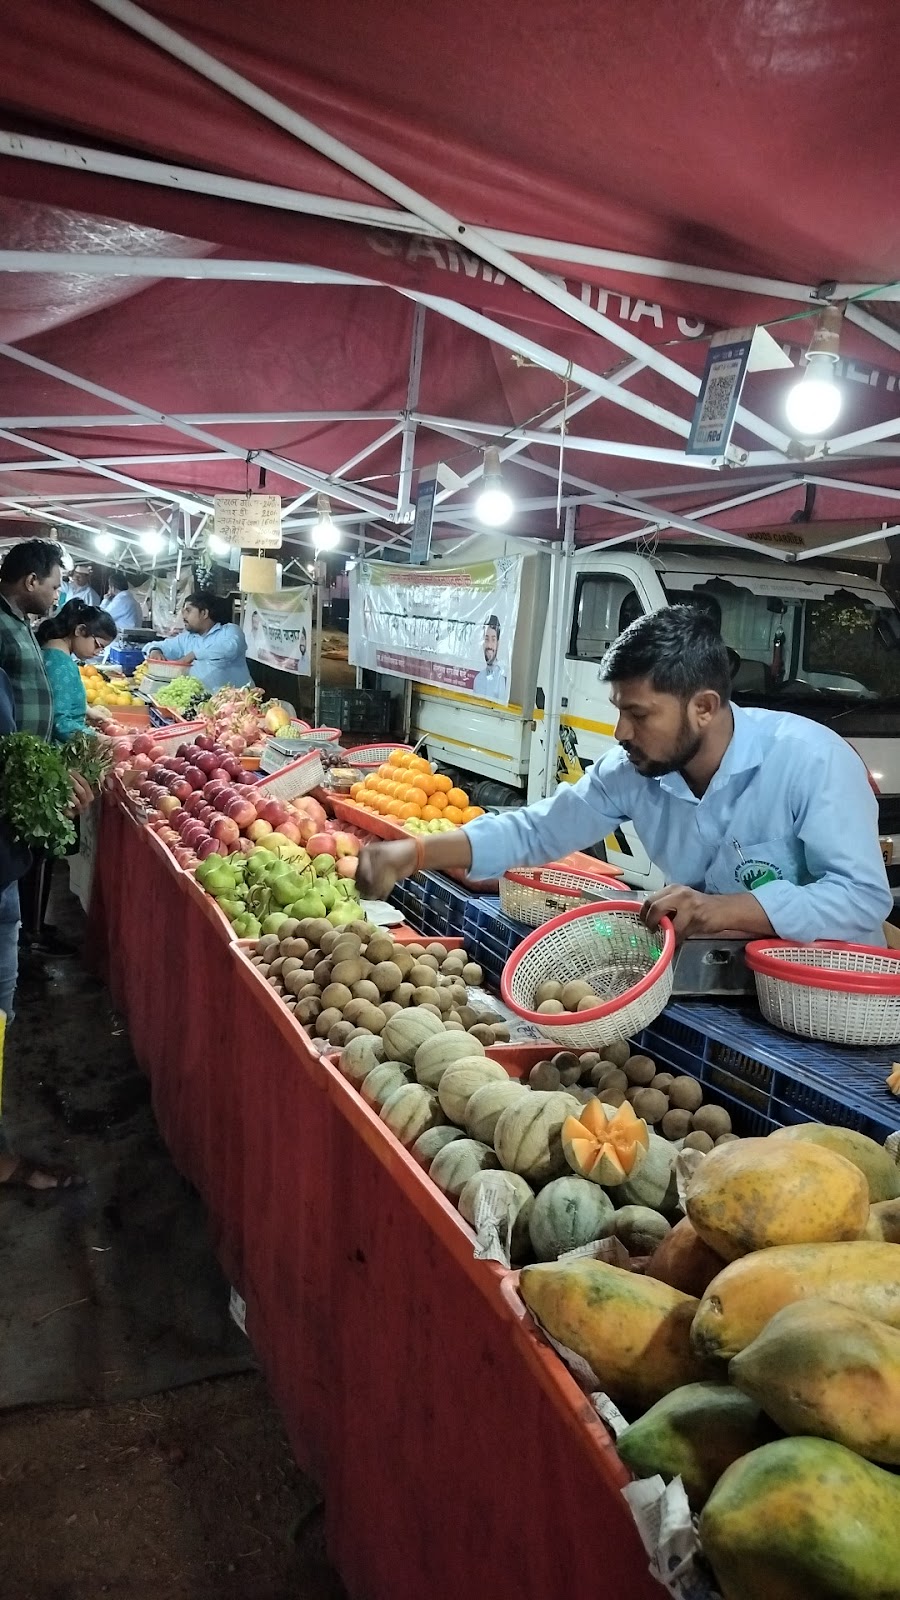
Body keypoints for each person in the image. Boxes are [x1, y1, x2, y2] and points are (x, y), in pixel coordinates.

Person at [358, 606, 893, 946]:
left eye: (638, 714)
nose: (620, 732)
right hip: (722, 982)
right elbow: (537, 831)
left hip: (832, 999)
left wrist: (721, 909)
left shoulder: (810, 761)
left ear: (704, 708)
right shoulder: (633, 770)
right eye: (619, 710)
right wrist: (415, 853)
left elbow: (862, 898)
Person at [0, 540, 94, 963]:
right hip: (9, 774)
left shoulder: (19, 621)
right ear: (31, 581)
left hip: (26, 768)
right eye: (55, 586)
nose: (58, 596)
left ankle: (26, 931)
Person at [37, 599, 118, 741]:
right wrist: (106, 741)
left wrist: (88, 711)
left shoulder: (56, 655)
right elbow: (60, 723)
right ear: (80, 630)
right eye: (97, 645)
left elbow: (59, 700)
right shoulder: (60, 664)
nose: (97, 652)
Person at [145, 589, 252, 692]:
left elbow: (229, 649)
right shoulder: (187, 638)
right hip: (201, 701)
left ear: (204, 613)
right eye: (183, 611)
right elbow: (155, 645)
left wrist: (194, 655)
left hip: (237, 700)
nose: (183, 616)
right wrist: (155, 650)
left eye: (188, 611)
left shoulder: (230, 631)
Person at [472, 614, 508, 701]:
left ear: (498, 643)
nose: (489, 645)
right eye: (486, 639)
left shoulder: (503, 679)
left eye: (493, 640)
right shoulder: (478, 679)